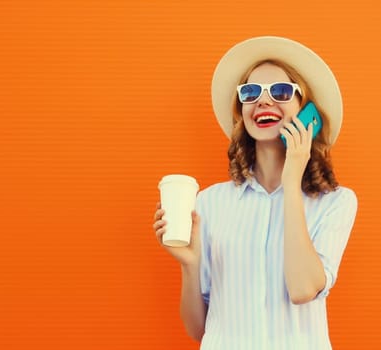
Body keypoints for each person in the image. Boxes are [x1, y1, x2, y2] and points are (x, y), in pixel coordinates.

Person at [152, 36, 358, 350]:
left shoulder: (336, 203)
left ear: (308, 113)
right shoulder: (209, 203)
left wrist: (292, 181)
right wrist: (190, 265)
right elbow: (198, 330)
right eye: (250, 92)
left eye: (280, 91)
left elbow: (302, 289)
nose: (263, 101)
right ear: (242, 111)